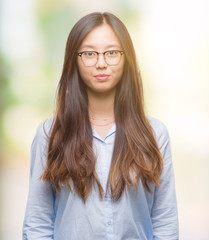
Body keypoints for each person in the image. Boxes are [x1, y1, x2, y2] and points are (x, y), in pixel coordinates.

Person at [22, 12, 178, 240]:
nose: (101, 63)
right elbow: (37, 222)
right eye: (89, 53)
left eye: (112, 52)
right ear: (74, 59)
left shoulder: (154, 134)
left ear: (127, 58)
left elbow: (165, 222)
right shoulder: (50, 134)